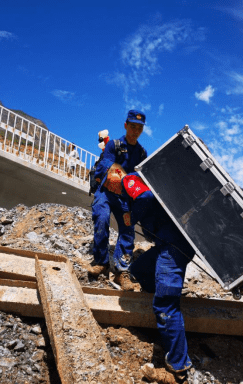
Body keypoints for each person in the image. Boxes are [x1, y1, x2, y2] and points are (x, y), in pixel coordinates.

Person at [121, 173, 193, 384]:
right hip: (169, 244)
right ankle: (160, 311)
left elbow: (145, 198)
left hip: (173, 246)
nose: (111, 189)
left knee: (166, 305)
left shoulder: (129, 179)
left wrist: (131, 219)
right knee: (140, 269)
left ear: (117, 173)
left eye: (109, 183)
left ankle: (178, 371)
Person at [86, 110, 147, 290]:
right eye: (133, 126)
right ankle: (102, 263)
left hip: (125, 199)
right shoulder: (114, 145)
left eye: (139, 128)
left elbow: (143, 177)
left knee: (128, 231)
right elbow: (107, 166)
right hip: (106, 193)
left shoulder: (142, 153)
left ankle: (122, 272)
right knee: (102, 218)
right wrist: (126, 177)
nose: (135, 131)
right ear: (126, 126)